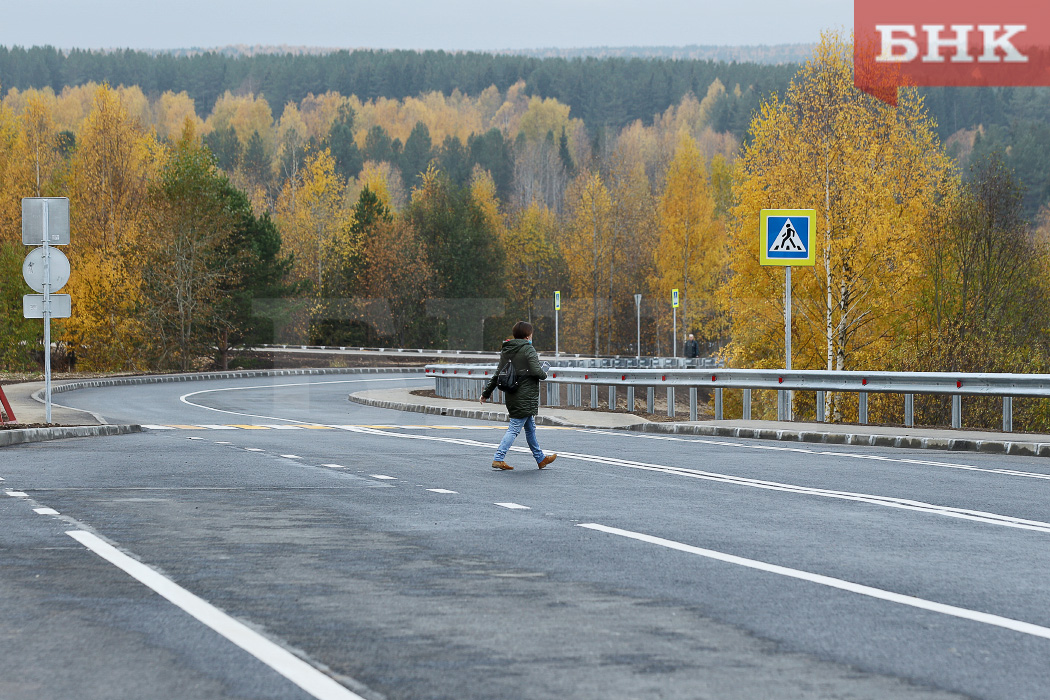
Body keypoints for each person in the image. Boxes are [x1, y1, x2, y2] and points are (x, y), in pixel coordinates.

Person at [480, 321, 557, 471]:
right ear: (528, 335)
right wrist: (544, 373)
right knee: (514, 428)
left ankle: (541, 459)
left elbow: (497, 374)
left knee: (530, 428)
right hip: (525, 396)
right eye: (531, 334)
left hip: (512, 394)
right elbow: (536, 371)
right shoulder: (528, 349)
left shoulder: (507, 349)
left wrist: (486, 393)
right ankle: (498, 458)